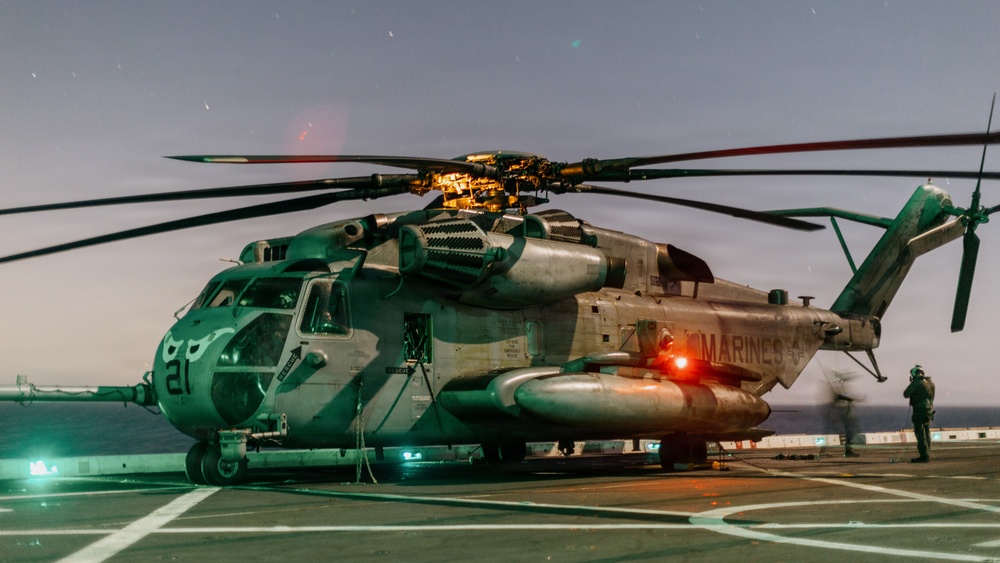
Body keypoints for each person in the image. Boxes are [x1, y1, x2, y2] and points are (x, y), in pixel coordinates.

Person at [903, 365, 935, 463]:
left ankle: (924, 456)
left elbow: (906, 394)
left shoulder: (917, 382)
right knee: (927, 432)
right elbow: (932, 397)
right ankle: (927, 454)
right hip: (929, 410)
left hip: (919, 410)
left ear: (915, 373)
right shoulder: (930, 383)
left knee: (920, 433)